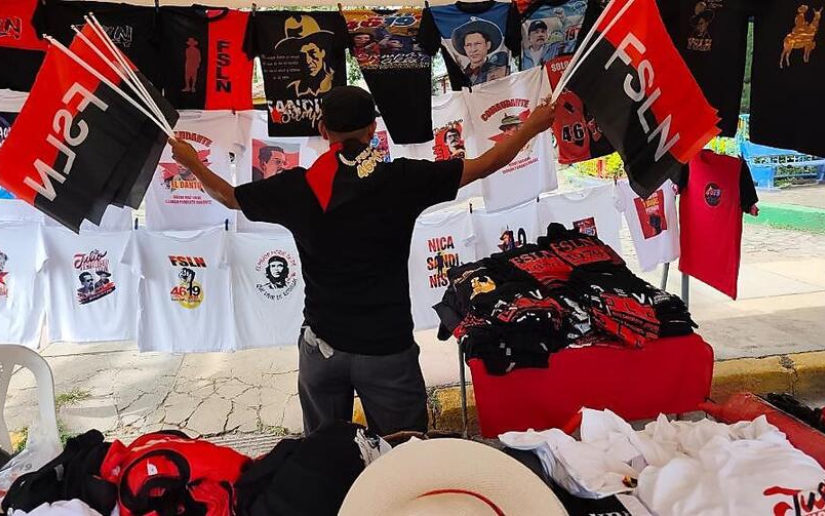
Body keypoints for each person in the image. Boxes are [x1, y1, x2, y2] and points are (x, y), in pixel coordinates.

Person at [168, 85, 556, 436]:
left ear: (323, 130)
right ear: (373, 129)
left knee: (327, 460)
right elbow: (485, 164)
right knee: (402, 458)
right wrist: (531, 127)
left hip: (322, 349)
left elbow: (229, 196)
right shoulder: (402, 179)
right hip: (387, 351)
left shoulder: (297, 188)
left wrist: (192, 161)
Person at [451, 18, 510, 85]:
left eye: (478, 43)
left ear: (488, 45)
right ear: (465, 48)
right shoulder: (461, 75)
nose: (473, 49)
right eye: (468, 45)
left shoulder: (496, 71)